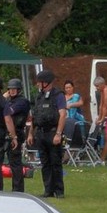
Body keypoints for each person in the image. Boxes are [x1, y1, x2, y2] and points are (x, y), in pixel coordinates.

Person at [26, 69, 68, 199]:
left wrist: (58, 134)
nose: (38, 84)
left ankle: (59, 190)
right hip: (41, 133)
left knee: (55, 162)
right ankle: (48, 189)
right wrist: (31, 134)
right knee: (45, 163)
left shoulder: (58, 96)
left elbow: (62, 115)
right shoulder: (39, 97)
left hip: (53, 132)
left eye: (40, 82)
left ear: (46, 82)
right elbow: (35, 117)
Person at [3, 78, 32, 193]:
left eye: (14, 89)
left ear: (19, 90)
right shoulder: (9, 101)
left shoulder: (22, 102)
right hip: (7, 132)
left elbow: (9, 112)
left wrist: (3, 99)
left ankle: (18, 189)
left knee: (15, 163)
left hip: (17, 133)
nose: (12, 91)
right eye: (10, 89)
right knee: (11, 162)